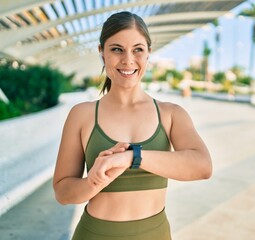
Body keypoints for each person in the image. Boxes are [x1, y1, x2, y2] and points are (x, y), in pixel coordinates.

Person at [53, 11, 212, 240]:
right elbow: (62, 192)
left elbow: (203, 166)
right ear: (102, 53)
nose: (128, 60)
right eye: (117, 49)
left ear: (148, 53)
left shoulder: (170, 114)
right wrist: (94, 181)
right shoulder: (82, 115)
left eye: (138, 49)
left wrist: (131, 157)